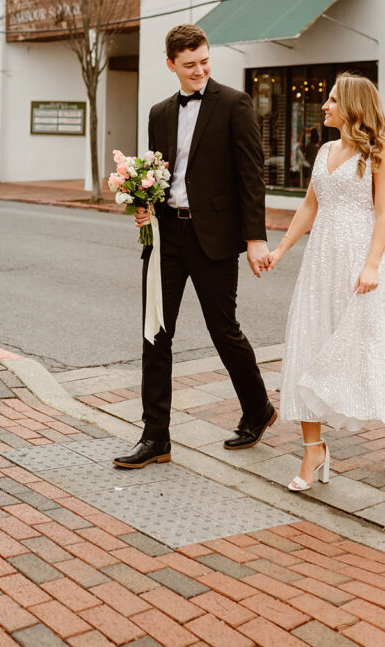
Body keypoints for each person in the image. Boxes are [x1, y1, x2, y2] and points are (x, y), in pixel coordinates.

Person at [113, 24, 276, 469]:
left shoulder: (235, 105)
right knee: (155, 333)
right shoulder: (159, 112)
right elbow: (155, 174)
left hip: (215, 238)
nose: (200, 70)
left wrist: (255, 237)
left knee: (223, 330)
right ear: (171, 65)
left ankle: (258, 408)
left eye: (205, 61)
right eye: (189, 65)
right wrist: (142, 207)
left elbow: (250, 176)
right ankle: (155, 438)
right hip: (166, 238)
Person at [266, 73, 385, 492]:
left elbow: (384, 214)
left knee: (368, 348)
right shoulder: (324, 151)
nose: (325, 106)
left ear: (352, 106)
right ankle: (313, 448)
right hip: (319, 265)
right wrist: (281, 250)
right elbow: (310, 205)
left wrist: (371, 265)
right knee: (308, 347)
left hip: (360, 266)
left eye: (332, 99)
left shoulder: (380, 154)